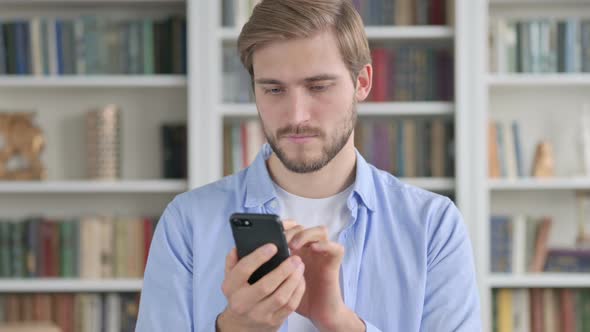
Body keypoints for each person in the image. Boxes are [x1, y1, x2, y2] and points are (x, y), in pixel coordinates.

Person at [136, 0, 481, 331]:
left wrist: (338, 322)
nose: (296, 116)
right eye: (273, 90)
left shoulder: (433, 226)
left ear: (362, 83)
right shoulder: (188, 222)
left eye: (318, 87)